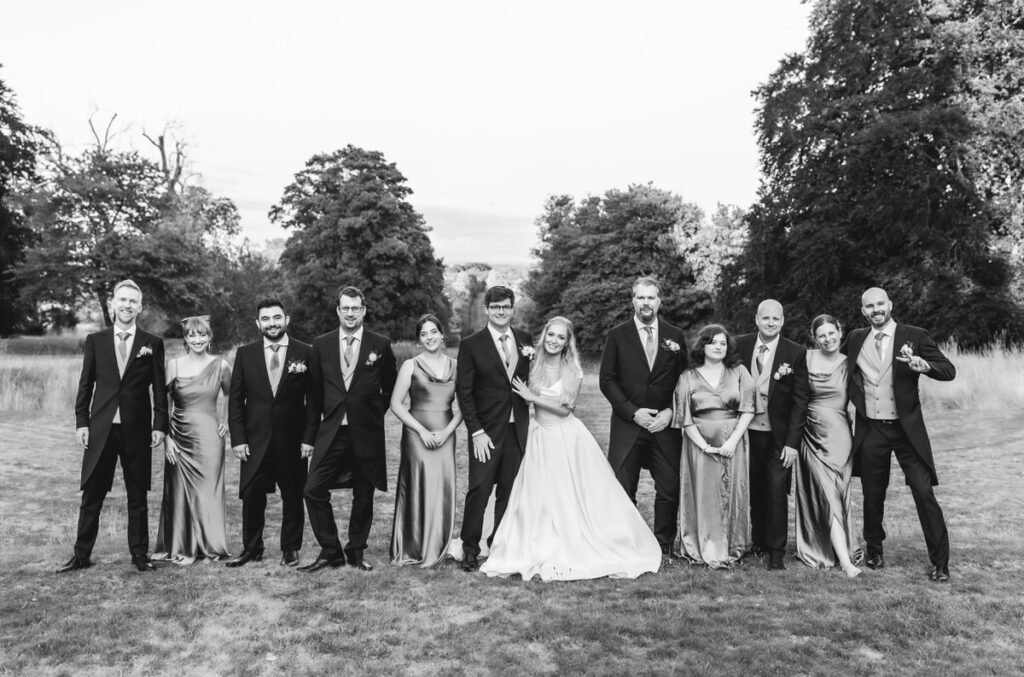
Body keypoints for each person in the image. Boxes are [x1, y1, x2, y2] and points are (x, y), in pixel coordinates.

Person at [481, 316, 662, 581]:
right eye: (551, 335)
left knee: (571, 494)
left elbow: (567, 409)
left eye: (561, 337)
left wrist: (533, 398)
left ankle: (578, 542)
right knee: (534, 494)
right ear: (545, 336)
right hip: (537, 435)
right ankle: (530, 541)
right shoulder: (531, 363)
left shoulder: (573, 370)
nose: (554, 341)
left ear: (567, 343)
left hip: (566, 437)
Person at [844, 287, 956, 582]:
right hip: (871, 429)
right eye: (870, 306)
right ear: (863, 311)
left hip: (907, 431)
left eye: (881, 303)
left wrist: (926, 366)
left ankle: (940, 563)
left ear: (890, 305)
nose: (876, 309)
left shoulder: (915, 335)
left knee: (922, 491)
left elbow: (949, 370)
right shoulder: (856, 338)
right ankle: (875, 550)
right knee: (872, 493)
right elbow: (837, 367)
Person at [59, 279, 169, 573]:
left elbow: (159, 389)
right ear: (113, 304)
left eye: (133, 301)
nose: (127, 305)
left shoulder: (152, 344)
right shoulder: (96, 341)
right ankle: (81, 555)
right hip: (101, 429)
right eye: (122, 300)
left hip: (137, 430)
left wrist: (160, 425)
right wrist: (81, 421)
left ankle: (139, 555)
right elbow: (85, 386)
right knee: (92, 494)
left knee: (138, 494)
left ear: (140, 307)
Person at [300, 286, 398, 573]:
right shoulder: (321, 344)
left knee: (363, 494)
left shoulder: (379, 344)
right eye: (346, 308)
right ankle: (331, 551)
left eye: (356, 308)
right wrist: (309, 437)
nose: (351, 313)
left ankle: (356, 550)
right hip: (331, 432)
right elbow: (314, 397)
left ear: (363, 311)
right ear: (338, 311)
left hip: (365, 433)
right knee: (313, 489)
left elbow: (390, 388)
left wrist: (370, 414)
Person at [598, 276, 688, 559]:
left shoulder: (676, 335)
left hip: (664, 426)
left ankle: (664, 544)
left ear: (659, 301)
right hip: (629, 425)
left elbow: (684, 380)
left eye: (651, 297)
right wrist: (632, 412)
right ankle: (628, 543)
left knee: (669, 488)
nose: (646, 302)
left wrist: (672, 412)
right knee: (624, 488)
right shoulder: (617, 335)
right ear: (633, 301)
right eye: (640, 297)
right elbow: (607, 380)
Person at [226, 299, 311, 568]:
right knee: (252, 495)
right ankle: (252, 548)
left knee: (293, 495)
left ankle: (290, 548)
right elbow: (236, 400)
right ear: (258, 323)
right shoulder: (245, 354)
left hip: (293, 440)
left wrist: (309, 438)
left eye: (277, 317)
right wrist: (237, 439)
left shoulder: (306, 352)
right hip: (254, 440)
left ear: (287, 319)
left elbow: (315, 401)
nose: (272, 323)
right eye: (266, 319)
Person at [455, 286, 531, 572]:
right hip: (486, 432)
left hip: (517, 429)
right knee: (479, 489)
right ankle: (470, 549)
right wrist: (476, 432)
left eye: (506, 307)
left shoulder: (525, 340)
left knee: (508, 492)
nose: (501, 312)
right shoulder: (471, 344)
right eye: (496, 307)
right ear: (487, 309)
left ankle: (499, 545)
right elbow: (465, 393)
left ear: (513, 309)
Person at [672, 325, 755, 568]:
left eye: (723, 343)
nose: (719, 347)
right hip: (698, 445)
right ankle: (702, 545)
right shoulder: (687, 377)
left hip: (733, 441)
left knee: (732, 492)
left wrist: (732, 441)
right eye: (713, 342)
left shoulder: (739, 371)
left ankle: (731, 546)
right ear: (703, 346)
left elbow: (748, 408)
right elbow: (684, 417)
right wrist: (704, 446)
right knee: (703, 493)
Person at [735, 299, 809, 570]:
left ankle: (776, 551)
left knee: (777, 491)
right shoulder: (739, 345)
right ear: (756, 319)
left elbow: (801, 402)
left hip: (778, 437)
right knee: (754, 489)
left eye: (776, 319)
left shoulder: (795, 352)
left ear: (782, 321)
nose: (770, 323)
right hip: (746, 434)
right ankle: (759, 541)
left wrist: (792, 443)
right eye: (766, 318)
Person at [152, 315, 232, 564]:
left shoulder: (221, 366)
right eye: (192, 335)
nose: (198, 339)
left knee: (208, 491)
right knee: (178, 491)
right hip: (178, 435)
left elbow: (231, 395)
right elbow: (163, 405)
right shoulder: (173, 365)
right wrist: (166, 438)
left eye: (203, 334)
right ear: (185, 338)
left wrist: (225, 421)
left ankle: (210, 544)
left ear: (209, 337)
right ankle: (181, 544)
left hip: (209, 437)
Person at [389, 314, 462, 567]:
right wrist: (421, 431)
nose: (429, 337)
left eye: (433, 332)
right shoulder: (411, 365)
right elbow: (396, 405)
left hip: (445, 433)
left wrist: (447, 432)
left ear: (442, 335)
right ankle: (413, 546)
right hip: (416, 434)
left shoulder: (457, 366)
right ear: (419, 340)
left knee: (441, 486)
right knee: (418, 485)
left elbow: (464, 408)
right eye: (423, 334)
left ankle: (438, 544)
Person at [794, 314, 861, 578]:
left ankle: (838, 550)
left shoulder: (850, 363)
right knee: (825, 495)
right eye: (821, 335)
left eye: (831, 333)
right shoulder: (805, 358)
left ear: (840, 332)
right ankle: (845, 562)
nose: (827, 339)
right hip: (810, 433)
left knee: (840, 494)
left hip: (840, 436)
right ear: (815, 337)